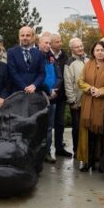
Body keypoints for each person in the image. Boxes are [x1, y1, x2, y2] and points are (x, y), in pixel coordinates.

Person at [77, 41, 104, 172]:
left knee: (102, 132)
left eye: (102, 50)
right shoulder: (87, 65)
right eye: (97, 50)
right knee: (88, 132)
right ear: (93, 52)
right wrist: (90, 89)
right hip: (88, 101)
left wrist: (101, 91)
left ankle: (102, 163)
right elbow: (80, 81)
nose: (99, 52)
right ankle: (88, 161)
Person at [39, 33, 62, 162]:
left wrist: (53, 90)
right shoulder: (34, 57)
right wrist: (47, 90)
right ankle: (37, 153)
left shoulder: (52, 58)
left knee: (49, 127)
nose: (48, 45)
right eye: (45, 43)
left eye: (49, 43)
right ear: (39, 43)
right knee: (37, 126)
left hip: (52, 98)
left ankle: (47, 152)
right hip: (39, 98)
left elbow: (59, 77)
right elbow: (35, 78)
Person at [49, 33, 72, 158]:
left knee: (60, 123)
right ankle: (46, 150)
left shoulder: (64, 56)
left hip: (61, 95)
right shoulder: (47, 55)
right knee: (48, 124)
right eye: (57, 42)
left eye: (60, 41)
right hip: (49, 95)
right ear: (51, 43)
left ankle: (59, 147)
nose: (60, 43)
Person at [64, 37, 87, 157]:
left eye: (81, 46)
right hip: (76, 102)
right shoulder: (69, 63)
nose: (80, 48)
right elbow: (68, 83)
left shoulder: (88, 60)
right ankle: (77, 150)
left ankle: (86, 150)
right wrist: (72, 101)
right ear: (71, 49)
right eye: (77, 47)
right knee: (77, 127)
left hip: (89, 101)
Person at [6, 26, 45, 94]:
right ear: (19, 37)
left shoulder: (39, 53)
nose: (25, 38)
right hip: (17, 93)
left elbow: (42, 73)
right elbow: (12, 73)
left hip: (35, 92)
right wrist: (24, 87)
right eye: (22, 35)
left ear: (32, 37)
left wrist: (34, 85)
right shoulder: (11, 52)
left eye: (28, 35)